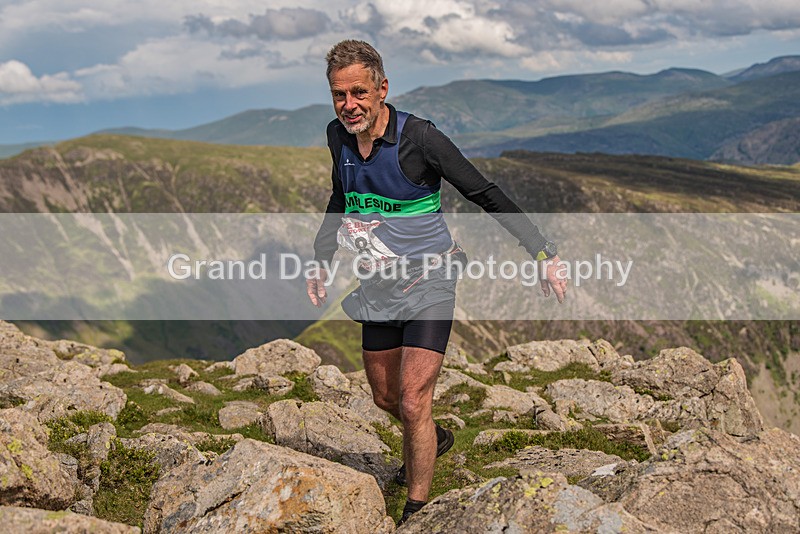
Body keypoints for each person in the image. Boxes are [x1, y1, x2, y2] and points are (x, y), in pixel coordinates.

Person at [306, 40, 567, 525]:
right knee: (386, 399)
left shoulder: (420, 139)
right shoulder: (337, 137)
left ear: (382, 89)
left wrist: (542, 251)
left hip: (432, 281)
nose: (349, 105)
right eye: (339, 95)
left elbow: (484, 192)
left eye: (359, 93)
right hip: (378, 286)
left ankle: (417, 511)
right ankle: (435, 436)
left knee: (412, 400)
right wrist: (321, 259)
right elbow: (340, 198)